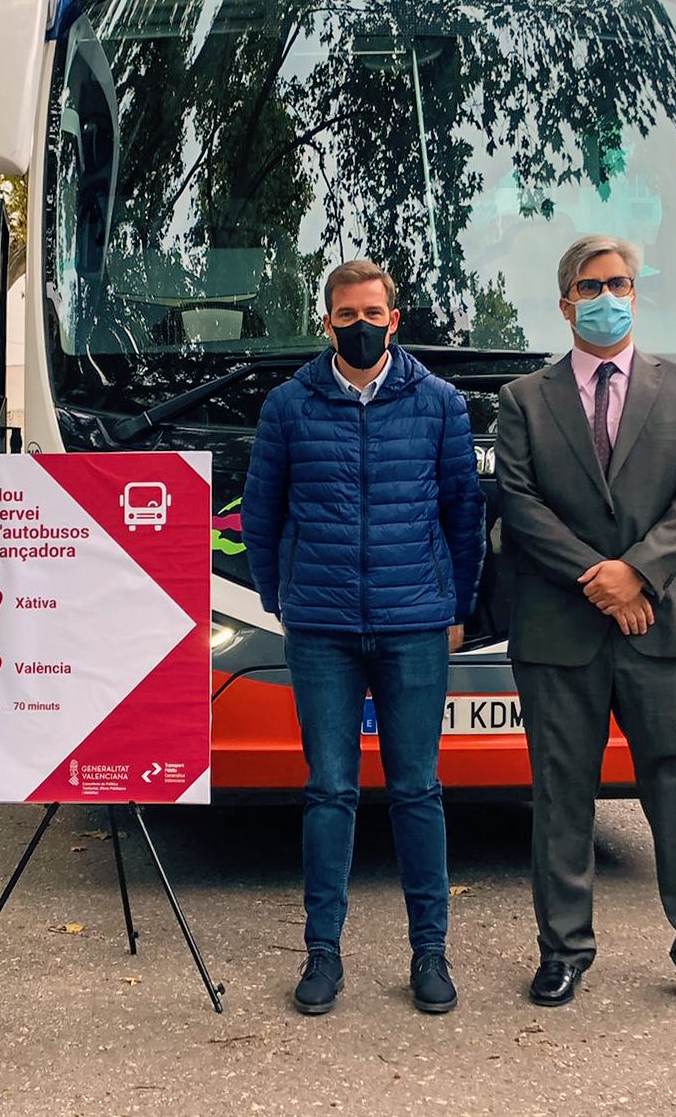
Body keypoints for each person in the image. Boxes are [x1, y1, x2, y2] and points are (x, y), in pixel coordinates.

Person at [494, 234, 676, 1015]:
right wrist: (598, 579)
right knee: (562, 792)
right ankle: (563, 950)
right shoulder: (524, 399)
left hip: (662, 624)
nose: (610, 297)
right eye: (593, 286)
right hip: (561, 627)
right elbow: (519, 503)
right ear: (566, 302)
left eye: (622, 283)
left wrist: (639, 571)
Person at [242, 258, 485, 1017]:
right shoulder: (288, 405)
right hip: (321, 630)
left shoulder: (440, 403)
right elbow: (260, 514)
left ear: (395, 317)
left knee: (417, 790)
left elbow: (463, 512)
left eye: (372, 311)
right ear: (326, 323)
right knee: (329, 791)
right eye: (346, 315)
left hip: (415, 624)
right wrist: (282, 600)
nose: (360, 325)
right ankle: (323, 953)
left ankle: (430, 952)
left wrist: (456, 605)